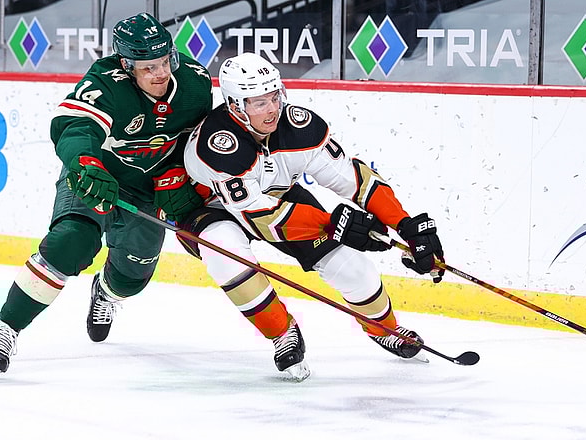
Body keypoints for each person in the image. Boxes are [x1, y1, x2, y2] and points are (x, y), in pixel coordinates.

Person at [0, 13, 213, 382]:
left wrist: (189, 187)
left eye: (165, 61)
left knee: (132, 278)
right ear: (127, 65)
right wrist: (86, 164)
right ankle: (5, 328)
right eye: (148, 67)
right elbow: (75, 127)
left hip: (148, 190)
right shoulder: (105, 83)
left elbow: (203, 142)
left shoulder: (195, 84)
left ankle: (105, 291)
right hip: (95, 178)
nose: (160, 73)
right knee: (70, 241)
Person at [179, 52, 445, 381]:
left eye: (274, 96)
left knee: (352, 266)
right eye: (259, 102)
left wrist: (404, 225)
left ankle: (385, 329)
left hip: (276, 195)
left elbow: (355, 181)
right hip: (212, 208)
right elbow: (262, 217)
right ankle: (282, 333)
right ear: (235, 106)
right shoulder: (217, 145)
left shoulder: (299, 126)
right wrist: (334, 225)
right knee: (225, 251)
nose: (273, 109)